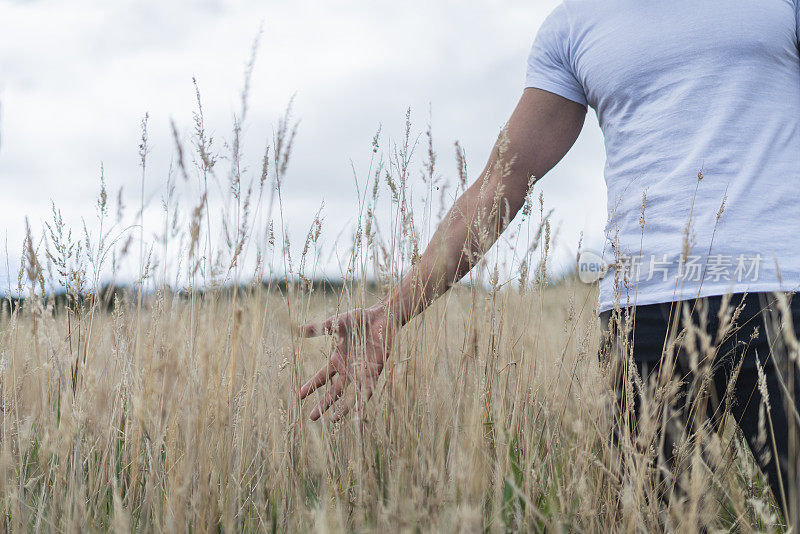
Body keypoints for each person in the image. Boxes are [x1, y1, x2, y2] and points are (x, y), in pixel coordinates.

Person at [299, 0, 800, 518]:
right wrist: (391, 313)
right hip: (645, 314)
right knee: (648, 519)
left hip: (783, 294)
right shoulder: (575, 24)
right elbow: (502, 181)